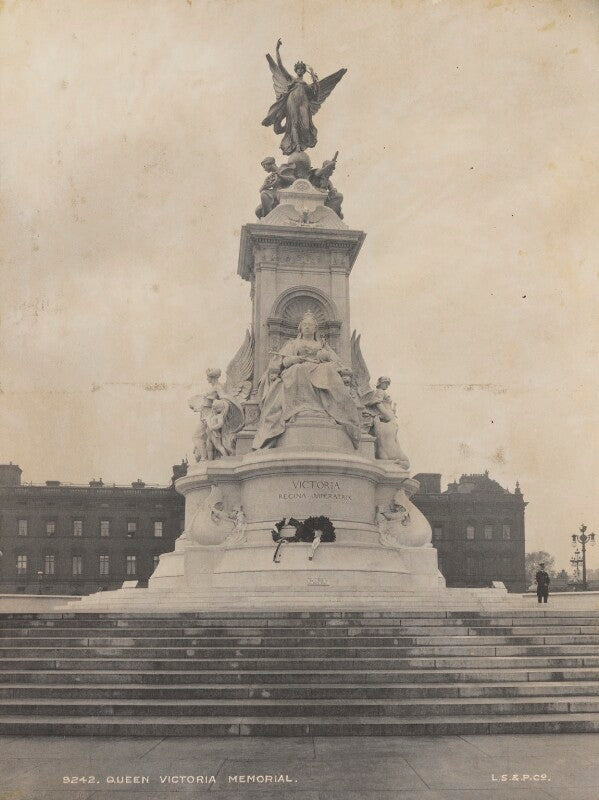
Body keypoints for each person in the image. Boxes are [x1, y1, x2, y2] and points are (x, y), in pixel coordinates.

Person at [252, 311, 361, 450]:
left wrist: (324, 356)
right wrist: (294, 359)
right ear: (300, 327)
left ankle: (323, 410)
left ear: (315, 328)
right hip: (297, 368)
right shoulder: (293, 343)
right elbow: (284, 361)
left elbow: (336, 361)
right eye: (305, 325)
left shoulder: (322, 344)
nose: (308, 327)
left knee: (328, 371)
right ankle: (299, 410)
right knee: (298, 370)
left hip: (319, 368)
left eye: (310, 325)